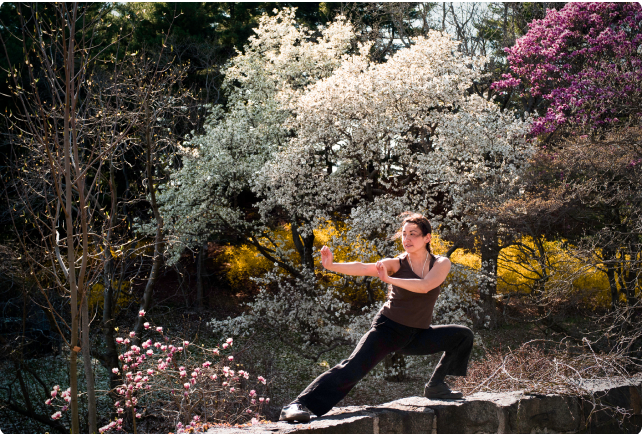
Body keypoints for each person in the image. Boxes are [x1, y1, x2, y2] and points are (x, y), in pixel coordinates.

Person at [279, 212, 474, 423]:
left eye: (413, 234)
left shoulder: (440, 263)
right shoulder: (397, 263)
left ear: (427, 238)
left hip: (417, 333)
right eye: (404, 234)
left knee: (462, 336)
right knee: (351, 370)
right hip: (388, 330)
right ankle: (297, 405)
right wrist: (332, 266)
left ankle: (436, 386)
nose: (406, 239)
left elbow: (425, 286)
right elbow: (363, 267)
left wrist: (390, 279)